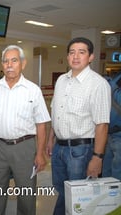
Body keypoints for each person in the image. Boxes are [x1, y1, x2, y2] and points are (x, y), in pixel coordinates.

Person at [47, 37, 111, 215]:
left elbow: (102, 125)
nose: (75, 56)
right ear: (67, 56)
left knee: (78, 196)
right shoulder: (61, 80)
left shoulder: (98, 84)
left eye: (81, 52)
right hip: (59, 148)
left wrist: (97, 158)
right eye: (72, 52)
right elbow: (56, 113)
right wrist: (51, 139)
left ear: (90, 57)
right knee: (62, 190)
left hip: (81, 150)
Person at [0, 45, 50, 215]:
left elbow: (41, 124)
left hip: (24, 148)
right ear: (2, 64)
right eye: (6, 61)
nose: (9, 64)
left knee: (26, 192)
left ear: (23, 63)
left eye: (14, 60)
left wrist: (40, 153)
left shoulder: (33, 90)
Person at [102, 72, 121, 180]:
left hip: (111, 132)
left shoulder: (113, 80)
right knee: (110, 170)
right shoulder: (114, 80)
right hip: (110, 133)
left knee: (111, 171)